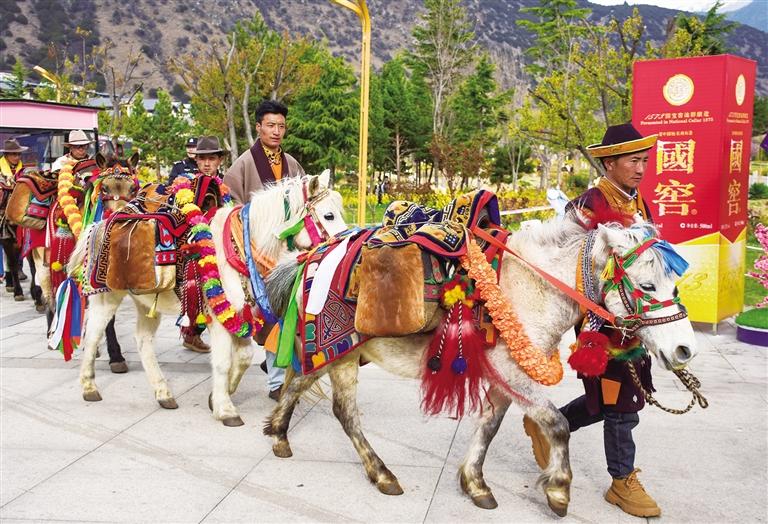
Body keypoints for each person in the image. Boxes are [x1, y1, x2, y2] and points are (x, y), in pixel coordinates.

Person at [523, 123, 660, 518]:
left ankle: (549, 424)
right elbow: (558, 258)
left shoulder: (640, 203)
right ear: (609, 162)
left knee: (605, 402)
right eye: (633, 161)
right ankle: (622, 481)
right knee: (622, 404)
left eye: (644, 161)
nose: (641, 169)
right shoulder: (587, 205)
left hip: (634, 316)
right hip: (601, 322)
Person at [224, 99, 306, 401]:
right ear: (258, 127)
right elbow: (230, 206)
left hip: (288, 252)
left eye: (281, 126)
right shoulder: (244, 164)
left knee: (289, 311)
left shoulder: (292, 164)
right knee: (270, 312)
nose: (276, 131)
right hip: (255, 252)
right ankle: (275, 381)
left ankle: (279, 373)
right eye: (271, 125)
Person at [176, 136, 226, 353]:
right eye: (202, 159)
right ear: (196, 160)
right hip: (194, 238)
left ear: (219, 160)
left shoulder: (224, 185)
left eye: (211, 159)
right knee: (197, 272)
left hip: (220, 237)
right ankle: (192, 331)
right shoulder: (188, 184)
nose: (207, 164)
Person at [0, 139, 28, 299]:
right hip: (3, 211)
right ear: (6, 155)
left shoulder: (24, 171)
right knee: (7, 244)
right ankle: (14, 282)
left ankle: (15, 273)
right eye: (13, 154)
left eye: (18, 154)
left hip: (22, 210)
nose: (17, 157)